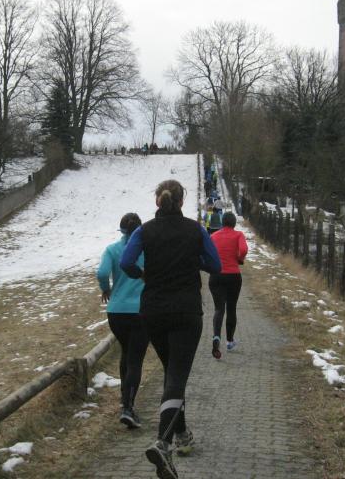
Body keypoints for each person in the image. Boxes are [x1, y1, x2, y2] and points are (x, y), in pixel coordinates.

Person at [121, 179, 221, 479]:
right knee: (176, 377)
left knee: (171, 374)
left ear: (157, 201)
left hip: (152, 311)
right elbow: (215, 265)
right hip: (186, 311)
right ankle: (163, 444)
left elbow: (126, 262)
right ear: (181, 202)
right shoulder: (196, 229)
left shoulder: (144, 231)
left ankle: (182, 434)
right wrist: (194, 260)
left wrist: (143, 273)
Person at [97, 213, 149, 429]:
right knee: (135, 359)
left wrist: (106, 289)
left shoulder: (112, 249)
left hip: (116, 312)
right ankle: (128, 408)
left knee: (126, 352)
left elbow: (102, 272)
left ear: (121, 231)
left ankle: (123, 398)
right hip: (141, 311)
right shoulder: (147, 250)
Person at [208, 212, 248, 359]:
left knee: (219, 309)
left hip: (216, 276)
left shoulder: (213, 236)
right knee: (231, 308)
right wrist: (239, 259)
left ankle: (216, 337)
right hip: (233, 277)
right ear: (234, 223)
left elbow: (208, 254)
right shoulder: (238, 235)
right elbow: (243, 250)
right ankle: (230, 341)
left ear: (222, 222)